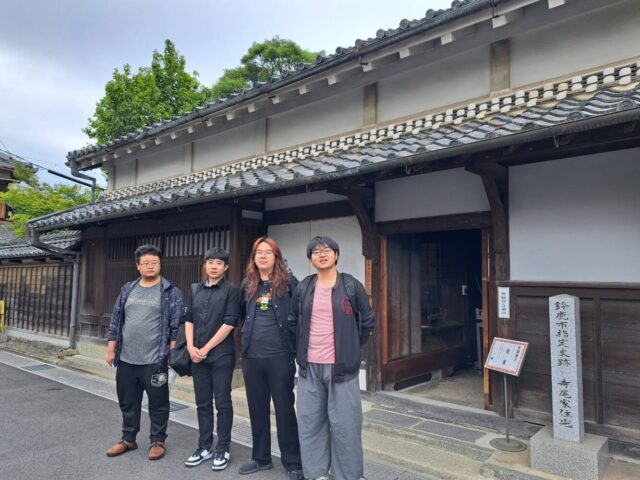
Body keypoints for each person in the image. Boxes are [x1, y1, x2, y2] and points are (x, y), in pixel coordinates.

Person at [289, 236, 374, 480]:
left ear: (337, 255)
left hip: (342, 369)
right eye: (316, 251)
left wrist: (351, 348)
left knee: (346, 426)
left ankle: (347, 475)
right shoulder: (304, 287)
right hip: (309, 367)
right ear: (310, 258)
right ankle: (316, 473)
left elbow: (367, 322)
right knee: (310, 422)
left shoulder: (351, 286)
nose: (322, 254)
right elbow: (293, 322)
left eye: (327, 250)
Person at [105, 244, 183, 461]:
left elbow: (176, 326)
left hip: (155, 360)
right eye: (146, 263)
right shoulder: (127, 289)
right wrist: (111, 348)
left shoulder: (170, 291)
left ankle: (157, 440)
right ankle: (128, 439)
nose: (150, 266)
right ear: (138, 266)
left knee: (158, 401)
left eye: (155, 263)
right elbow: (116, 319)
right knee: (128, 401)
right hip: (126, 358)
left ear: (160, 264)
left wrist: (171, 354)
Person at [237, 237, 304, 480]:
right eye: (259, 252)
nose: (263, 256)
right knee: (257, 408)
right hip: (252, 357)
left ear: (277, 257)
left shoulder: (289, 283)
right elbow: (241, 315)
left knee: (284, 409)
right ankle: (261, 458)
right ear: (253, 258)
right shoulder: (248, 283)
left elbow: (300, 315)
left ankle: (293, 462)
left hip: (280, 356)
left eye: (268, 252)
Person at [184, 247, 241, 471]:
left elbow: (229, 323)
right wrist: (191, 347)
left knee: (223, 402)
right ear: (205, 265)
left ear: (226, 267)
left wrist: (205, 348)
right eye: (210, 262)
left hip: (221, 355)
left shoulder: (232, 290)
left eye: (218, 263)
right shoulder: (195, 289)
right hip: (197, 355)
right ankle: (204, 446)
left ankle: (223, 448)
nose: (214, 266)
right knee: (202, 402)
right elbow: (188, 318)